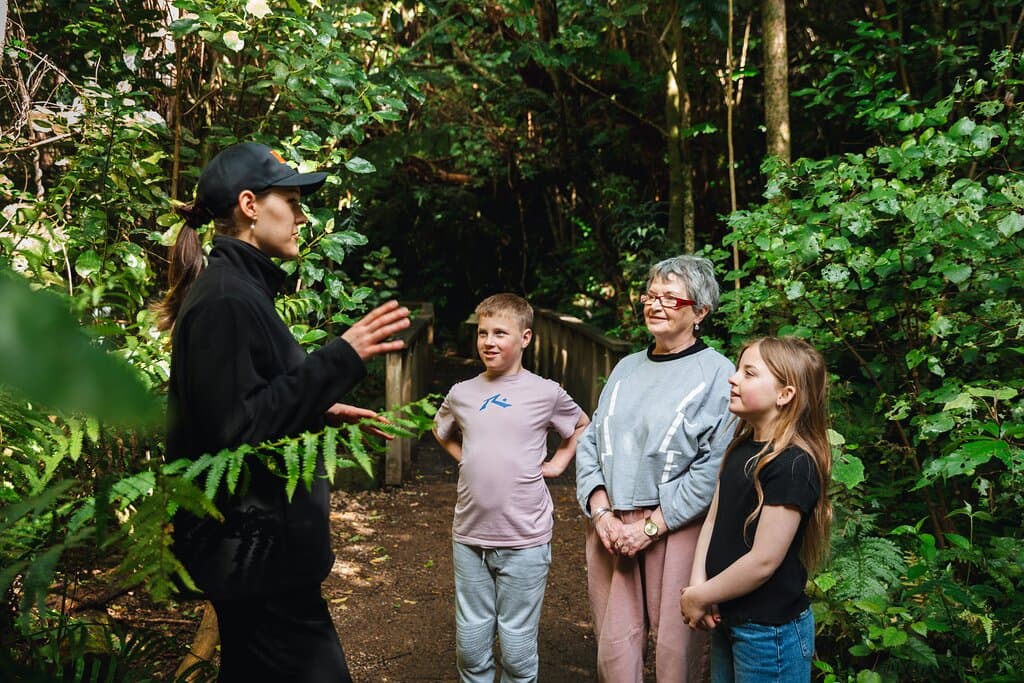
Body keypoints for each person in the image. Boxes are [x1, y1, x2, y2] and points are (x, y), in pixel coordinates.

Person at [157, 141, 411, 683]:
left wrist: (319, 407)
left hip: (259, 561)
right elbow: (235, 431)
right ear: (250, 206)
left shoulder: (242, 290)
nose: (301, 217)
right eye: (292, 201)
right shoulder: (227, 298)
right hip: (255, 562)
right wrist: (342, 357)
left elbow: (247, 402)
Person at [575, 254, 734, 683]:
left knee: (676, 649)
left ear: (699, 312)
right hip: (611, 525)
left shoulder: (718, 374)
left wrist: (651, 527)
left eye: (670, 298)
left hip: (676, 527)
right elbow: (591, 440)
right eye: (651, 294)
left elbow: (713, 467)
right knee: (615, 645)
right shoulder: (626, 368)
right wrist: (601, 510)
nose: (655, 304)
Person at [433, 293, 590, 683]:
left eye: (500, 333)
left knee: (518, 649)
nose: (488, 341)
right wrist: (467, 458)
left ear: (525, 338)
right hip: (469, 534)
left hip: (526, 537)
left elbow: (583, 425)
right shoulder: (462, 393)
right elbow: (441, 432)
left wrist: (557, 462)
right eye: (483, 332)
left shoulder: (546, 392)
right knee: (470, 645)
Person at [680, 336, 833, 683]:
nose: (733, 378)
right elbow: (714, 520)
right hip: (729, 619)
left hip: (769, 635)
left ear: (785, 395)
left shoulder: (793, 465)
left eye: (749, 373)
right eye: (738, 370)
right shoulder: (740, 448)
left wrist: (701, 595)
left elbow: (764, 561)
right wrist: (698, 587)